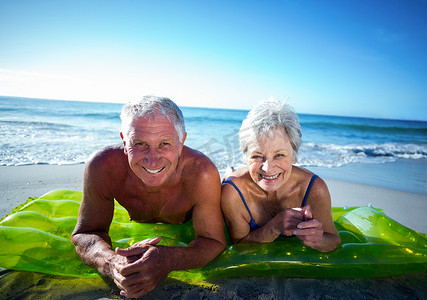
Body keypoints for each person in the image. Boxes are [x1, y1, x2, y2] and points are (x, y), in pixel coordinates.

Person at [72, 96, 226, 298]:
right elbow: (86, 233)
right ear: (124, 141)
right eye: (140, 144)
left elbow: (213, 240)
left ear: (181, 143)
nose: (152, 160)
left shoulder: (201, 172)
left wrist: (169, 259)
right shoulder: (103, 166)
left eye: (164, 143)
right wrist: (113, 264)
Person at [221, 99, 340, 252]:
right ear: (246, 157)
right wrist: (273, 227)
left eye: (279, 155)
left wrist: (318, 239)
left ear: (294, 156)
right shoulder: (232, 193)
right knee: (227, 180)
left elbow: (333, 239)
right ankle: (229, 172)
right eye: (257, 156)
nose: (268, 168)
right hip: (238, 181)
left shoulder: (314, 188)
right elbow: (238, 245)